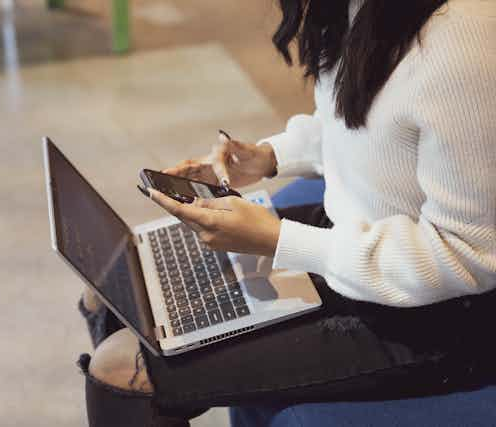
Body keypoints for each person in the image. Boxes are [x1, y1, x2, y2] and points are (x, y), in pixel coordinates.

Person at [78, 0, 496, 425]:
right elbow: (362, 119)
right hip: (358, 244)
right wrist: (268, 156)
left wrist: (282, 241)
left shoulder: (464, 39)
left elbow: (466, 255)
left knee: (117, 370)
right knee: (112, 290)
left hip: (437, 318)